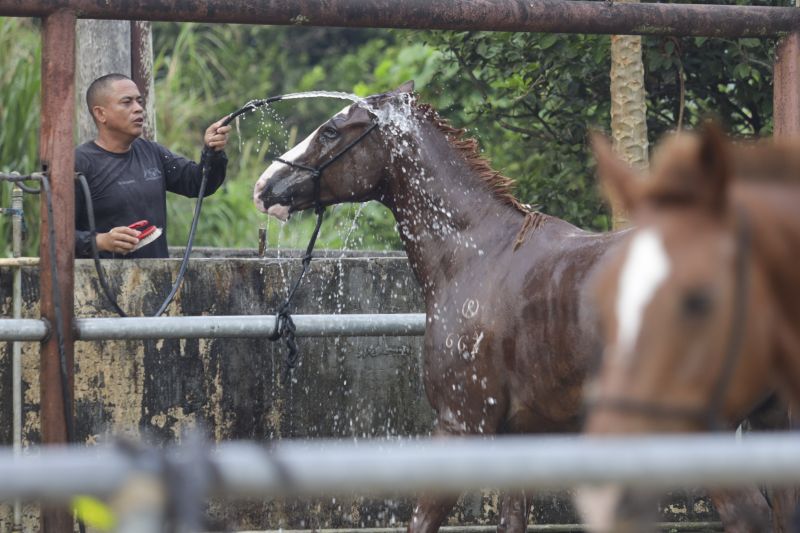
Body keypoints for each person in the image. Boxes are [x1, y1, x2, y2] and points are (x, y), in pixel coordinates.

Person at [74, 73, 232, 259]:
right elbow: (56, 236)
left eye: (139, 101)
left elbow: (197, 183)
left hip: (156, 280)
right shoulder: (79, 163)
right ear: (101, 113)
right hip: (100, 285)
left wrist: (212, 152)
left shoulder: (152, 153)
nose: (139, 108)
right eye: (127, 102)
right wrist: (101, 241)